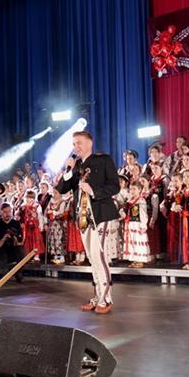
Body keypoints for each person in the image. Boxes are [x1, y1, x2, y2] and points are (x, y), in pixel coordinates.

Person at [56, 130, 120, 313]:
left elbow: (114, 186)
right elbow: (62, 189)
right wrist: (68, 170)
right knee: (92, 259)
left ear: (89, 143)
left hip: (100, 214)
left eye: (79, 142)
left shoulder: (103, 160)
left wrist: (93, 191)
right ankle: (98, 296)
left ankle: (106, 299)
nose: (75, 146)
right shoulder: (76, 167)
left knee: (99, 257)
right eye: (74, 143)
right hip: (83, 217)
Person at [0, 203, 26, 279]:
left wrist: (14, 239)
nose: (7, 214)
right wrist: (4, 238)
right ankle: (2, 272)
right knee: (3, 275)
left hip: (11, 250)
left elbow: (19, 243)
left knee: (22, 250)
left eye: (9, 211)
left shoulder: (16, 223)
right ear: (1, 213)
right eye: (5, 212)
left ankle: (18, 272)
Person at [121, 182, 150, 268]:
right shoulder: (129, 201)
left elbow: (143, 214)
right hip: (131, 223)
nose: (132, 191)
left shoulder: (141, 201)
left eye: (134, 189)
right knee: (132, 242)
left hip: (138, 224)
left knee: (138, 241)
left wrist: (143, 225)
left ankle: (140, 260)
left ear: (139, 190)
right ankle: (135, 259)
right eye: (131, 189)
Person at [45, 189, 69, 264]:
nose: (54, 195)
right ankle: (55, 257)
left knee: (59, 240)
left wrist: (53, 212)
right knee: (53, 240)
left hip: (60, 224)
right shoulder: (51, 202)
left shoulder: (62, 202)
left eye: (56, 193)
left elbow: (61, 212)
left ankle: (61, 257)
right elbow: (46, 211)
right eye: (53, 193)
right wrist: (46, 222)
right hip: (52, 224)